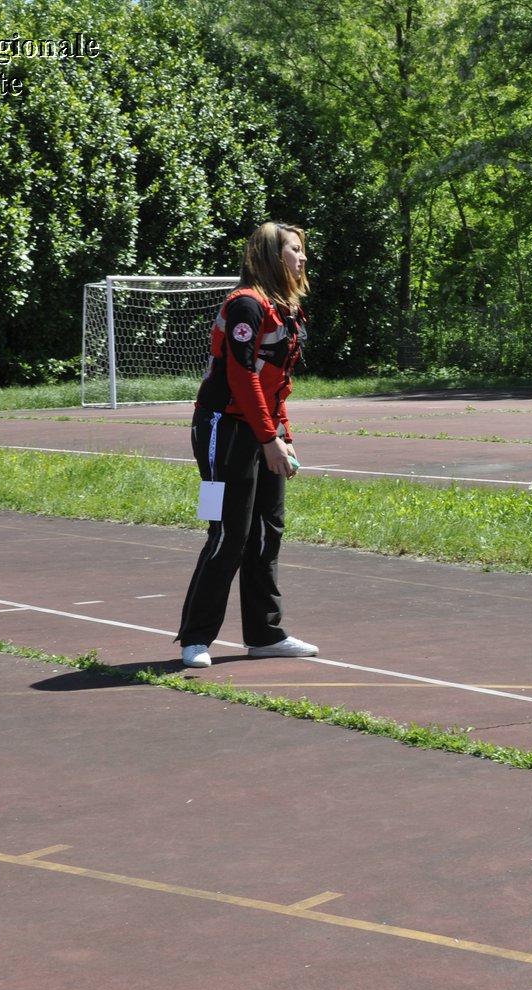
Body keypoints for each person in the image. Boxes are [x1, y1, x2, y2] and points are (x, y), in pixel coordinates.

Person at [177, 222, 317, 666]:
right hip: (221, 431)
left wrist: (284, 438)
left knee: (265, 533)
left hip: (261, 431)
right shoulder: (245, 306)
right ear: (272, 257)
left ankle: (265, 634)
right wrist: (269, 438)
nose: (302, 258)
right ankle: (195, 638)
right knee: (226, 532)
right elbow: (242, 377)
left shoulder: (284, 309)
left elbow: (277, 385)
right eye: (294, 250)